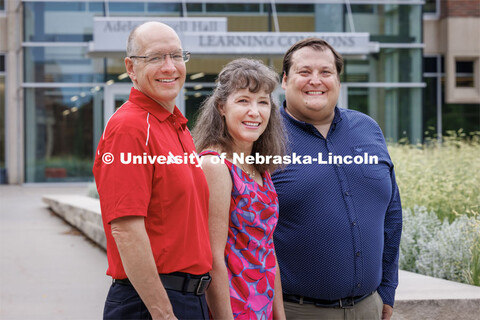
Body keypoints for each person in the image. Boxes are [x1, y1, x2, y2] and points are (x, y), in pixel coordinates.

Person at [272, 38, 402, 320]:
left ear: (338, 81)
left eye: (326, 72)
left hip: (370, 308)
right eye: (304, 72)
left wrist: (388, 291)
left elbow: (391, 214)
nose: (315, 81)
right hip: (295, 311)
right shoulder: (263, 139)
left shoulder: (368, 129)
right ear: (285, 80)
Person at [92, 21, 212, 320]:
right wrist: (164, 314)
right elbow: (126, 230)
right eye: (156, 57)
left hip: (188, 298)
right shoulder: (130, 128)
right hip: (152, 304)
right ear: (131, 68)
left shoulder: (176, 126)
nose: (170, 67)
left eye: (176, 55)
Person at [192, 58, 287, 320]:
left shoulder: (260, 168)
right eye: (243, 100)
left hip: (263, 307)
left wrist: (279, 316)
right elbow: (212, 258)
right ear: (222, 106)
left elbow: (267, 248)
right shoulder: (215, 165)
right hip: (233, 309)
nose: (255, 111)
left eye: (263, 102)